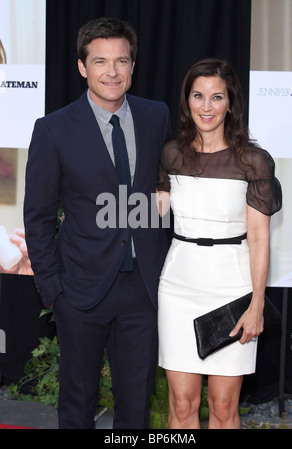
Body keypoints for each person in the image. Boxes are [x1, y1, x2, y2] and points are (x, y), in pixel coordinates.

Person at [24, 17, 172, 429]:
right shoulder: (53, 130)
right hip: (80, 289)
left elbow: (165, 185)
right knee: (78, 402)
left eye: (121, 61)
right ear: (82, 67)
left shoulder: (155, 116)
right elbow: (36, 216)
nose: (112, 71)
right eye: (101, 61)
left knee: (136, 405)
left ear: (132, 66)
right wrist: (54, 289)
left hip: (142, 289)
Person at [157, 58, 282, 429]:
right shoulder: (171, 154)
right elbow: (151, 215)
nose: (206, 107)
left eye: (217, 97)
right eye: (198, 96)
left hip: (233, 288)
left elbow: (259, 237)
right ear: (187, 100)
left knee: (224, 408)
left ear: (231, 103)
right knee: (181, 406)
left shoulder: (253, 162)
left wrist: (257, 303)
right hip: (178, 286)